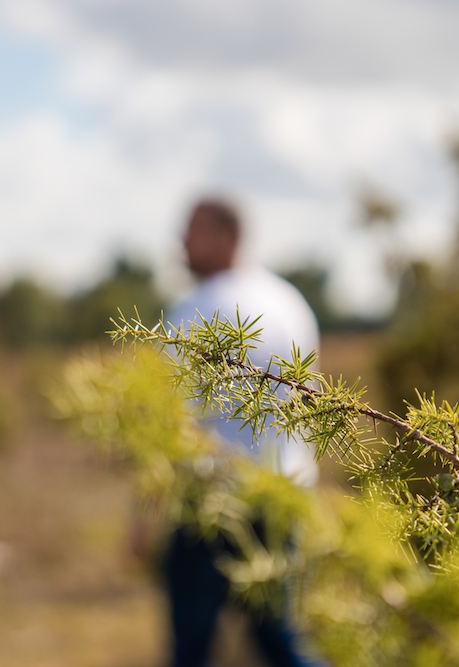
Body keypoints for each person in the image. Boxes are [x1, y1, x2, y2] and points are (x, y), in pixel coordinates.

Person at [159, 197, 323, 667]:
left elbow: (173, 422)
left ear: (227, 236)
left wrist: (143, 513)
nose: (181, 243)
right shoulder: (290, 301)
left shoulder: (194, 309)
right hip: (283, 495)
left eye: (192, 231)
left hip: (211, 502)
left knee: (191, 647)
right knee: (279, 638)